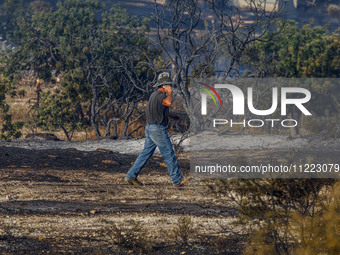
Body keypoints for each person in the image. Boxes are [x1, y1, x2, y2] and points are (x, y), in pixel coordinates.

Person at [125, 72, 186, 187]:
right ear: (164, 85)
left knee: (145, 153)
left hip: (150, 128)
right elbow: (168, 102)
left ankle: (131, 176)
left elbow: (158, 110)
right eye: (169, 85)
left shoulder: (154, 95)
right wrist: (169, 92)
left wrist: (171, 115)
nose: (171, 87)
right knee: (169, 153)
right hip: (157, 130)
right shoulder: (161, 96)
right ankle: (177, 180)